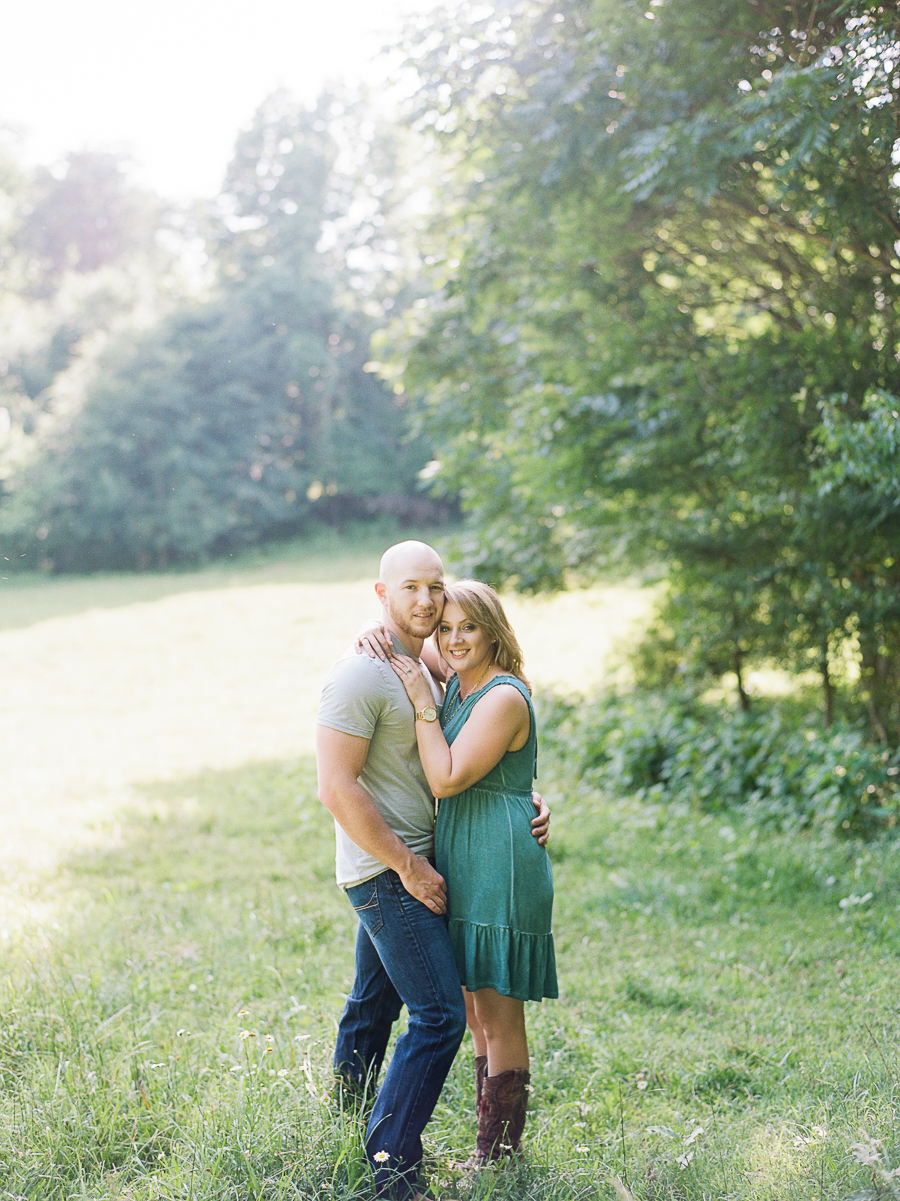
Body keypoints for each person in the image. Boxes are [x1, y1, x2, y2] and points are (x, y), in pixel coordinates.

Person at [315, 541, 549, 1200]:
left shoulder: (432, 665)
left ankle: (341, 1128)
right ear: (381, 592)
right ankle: (390, 1171)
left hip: (433, 860)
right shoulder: (361, 674)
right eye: (410, 588)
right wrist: (409, 867)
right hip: (393, 870)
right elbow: (336, 788)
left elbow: (480, 747)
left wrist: (522, 797)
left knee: (372, 1003)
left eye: (435, 589)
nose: (426, 603)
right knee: (442, 1016)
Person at [389, 579, 557, 1168]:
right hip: (461, 854)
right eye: (447, 628)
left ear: (493, 630)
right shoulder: (459, 673)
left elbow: (447, 778)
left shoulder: (503, 695)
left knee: (498, 1009)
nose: (454, 639)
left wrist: (422, 704)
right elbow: (404, 638)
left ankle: (500, 1160)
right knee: (472, 1007)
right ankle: (488, 1152)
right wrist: (374, 629)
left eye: (469, 627)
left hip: (500, 861)